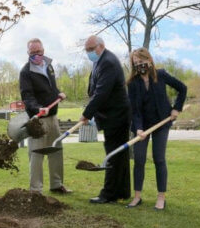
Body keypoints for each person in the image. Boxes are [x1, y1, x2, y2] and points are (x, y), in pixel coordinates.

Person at [126, 48, 187, 210]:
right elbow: (135, 110)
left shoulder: (161, 75)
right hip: (142, 126)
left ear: (150, 60)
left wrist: (176, 108)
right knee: (139, 159)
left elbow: (182, 88)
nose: (140, 65)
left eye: (142, 61)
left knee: (159, 158)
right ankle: (137, 196)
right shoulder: (132, 83)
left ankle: (161, 197)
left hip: (161, 122)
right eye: (136, 63)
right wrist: (138, 129)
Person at [81, 35, 131, 204]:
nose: (89, 53)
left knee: (113, 155)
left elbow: (102, 92)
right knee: (119, 155)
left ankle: (108, 194)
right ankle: (122, 191)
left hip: (117, 116)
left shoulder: (108, 62)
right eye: (86, 50)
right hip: (112, 116)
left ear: (101, 46)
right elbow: (93, 89)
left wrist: (87, 113)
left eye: (91, 49)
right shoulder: (98, 62)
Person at [19, 38, 72, 194]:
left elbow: (51, 89)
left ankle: (56, 185)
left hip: (53, 117)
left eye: (39, 51)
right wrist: (38, 108)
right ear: (28, 52)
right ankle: (36, 190)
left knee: (56, 149)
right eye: (33, 52)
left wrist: (58, 93)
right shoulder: (26, 72)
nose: (37, 54)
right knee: (36, 154)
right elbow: (27, 96)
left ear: (43, 50)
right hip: (37, 120)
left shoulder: (49, 66)